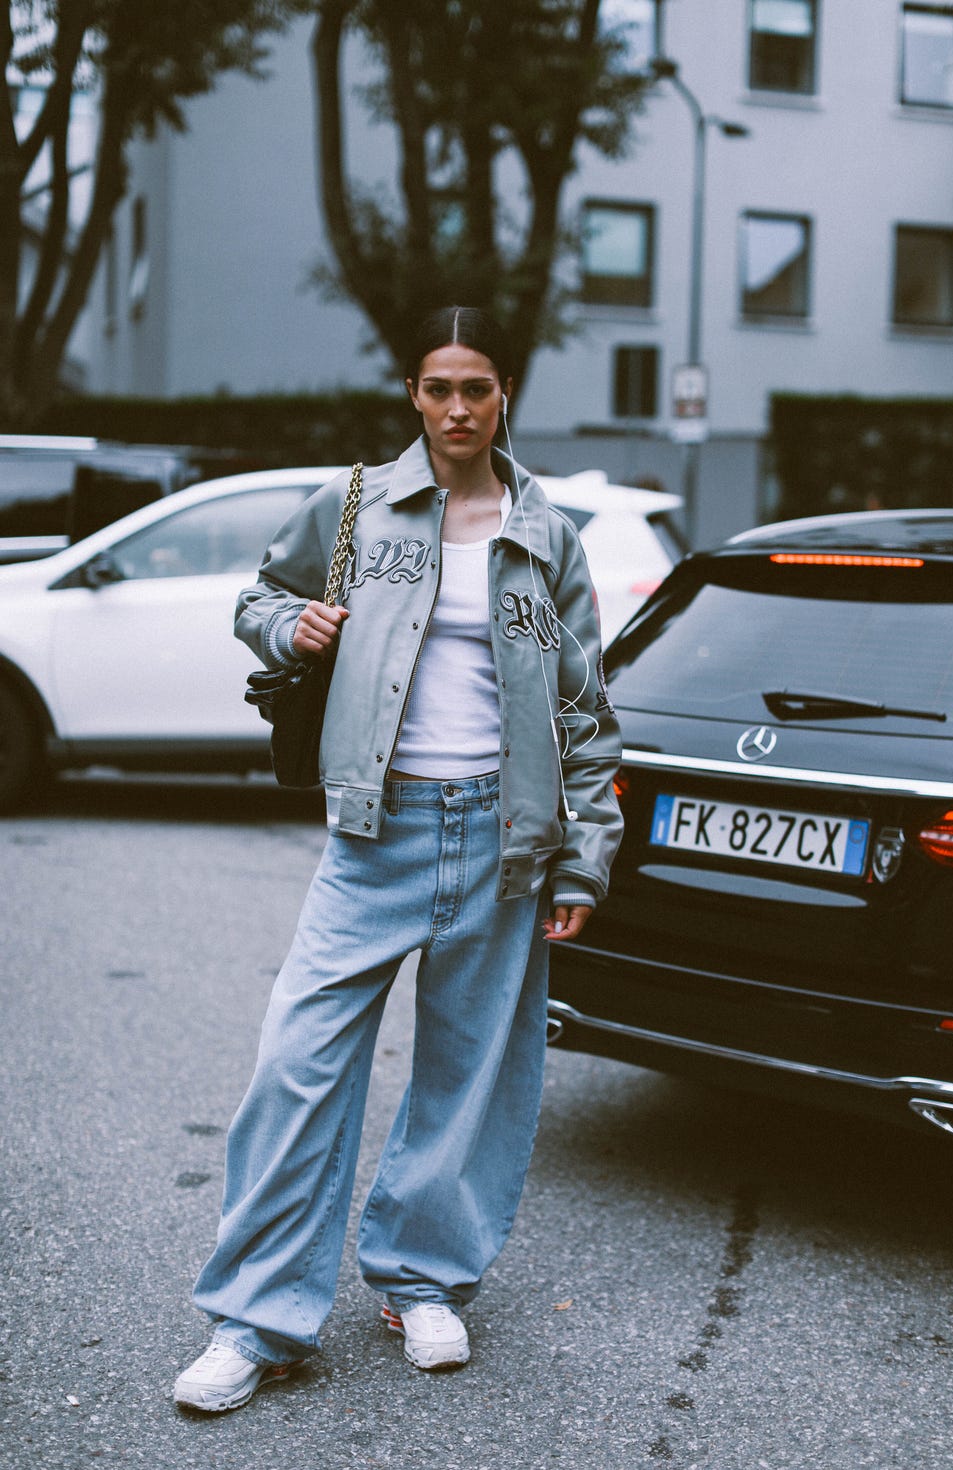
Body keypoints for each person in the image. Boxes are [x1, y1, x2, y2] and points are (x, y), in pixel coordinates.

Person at [173, 305, 623, 1413]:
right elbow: (257, 596)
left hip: (504, 839)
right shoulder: (358, 503)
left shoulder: (543, 529)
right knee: (297, 1064)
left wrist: (582, 858)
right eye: (437, 389)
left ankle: (421, 1282)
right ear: (412, 394)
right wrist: (291, 631)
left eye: (476, 388)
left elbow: (585, 709)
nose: (457, 409)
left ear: (503, 391)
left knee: (468, 1078)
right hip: (375, 832)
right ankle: (259, 1319)